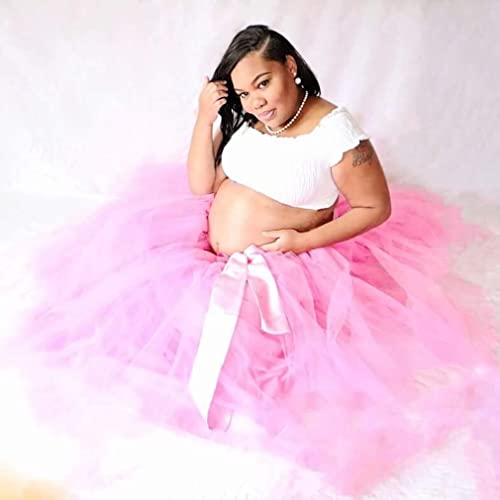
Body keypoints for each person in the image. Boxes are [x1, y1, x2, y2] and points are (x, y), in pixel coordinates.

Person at [3, 24, 500, 498]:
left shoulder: (336, 132)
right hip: (204, 254)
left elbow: (375, 207)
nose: (257, 101)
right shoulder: (250, 123)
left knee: (251, 362)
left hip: (280, 263)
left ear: (291, 67)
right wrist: (205, 117)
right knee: (133, 321)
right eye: (244, 93)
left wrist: (303, 242)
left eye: (264, 83)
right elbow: (201, 184)